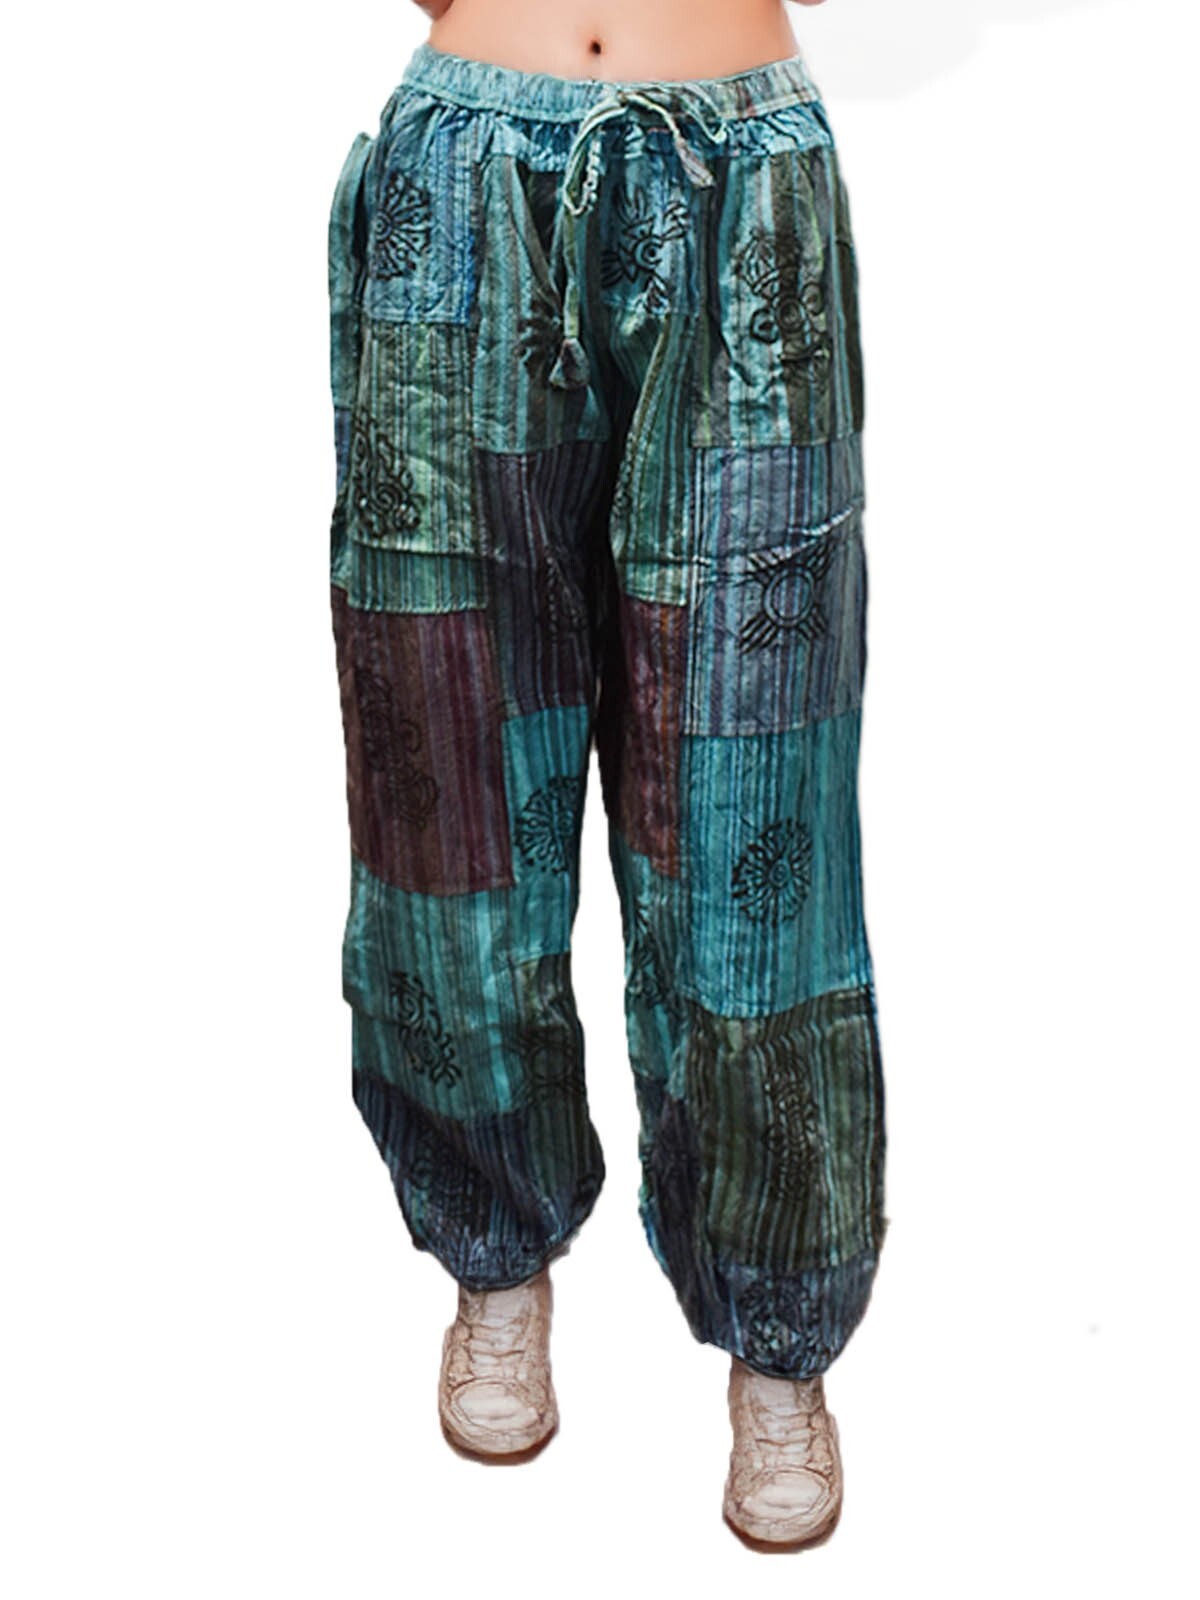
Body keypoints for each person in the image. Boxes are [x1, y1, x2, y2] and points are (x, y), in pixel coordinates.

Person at [325, 0, 888, 1551]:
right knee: (446, 764)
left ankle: (780, 1332)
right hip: (463, 176)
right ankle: (492, 1253)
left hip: (740, 174)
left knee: (756, 787)